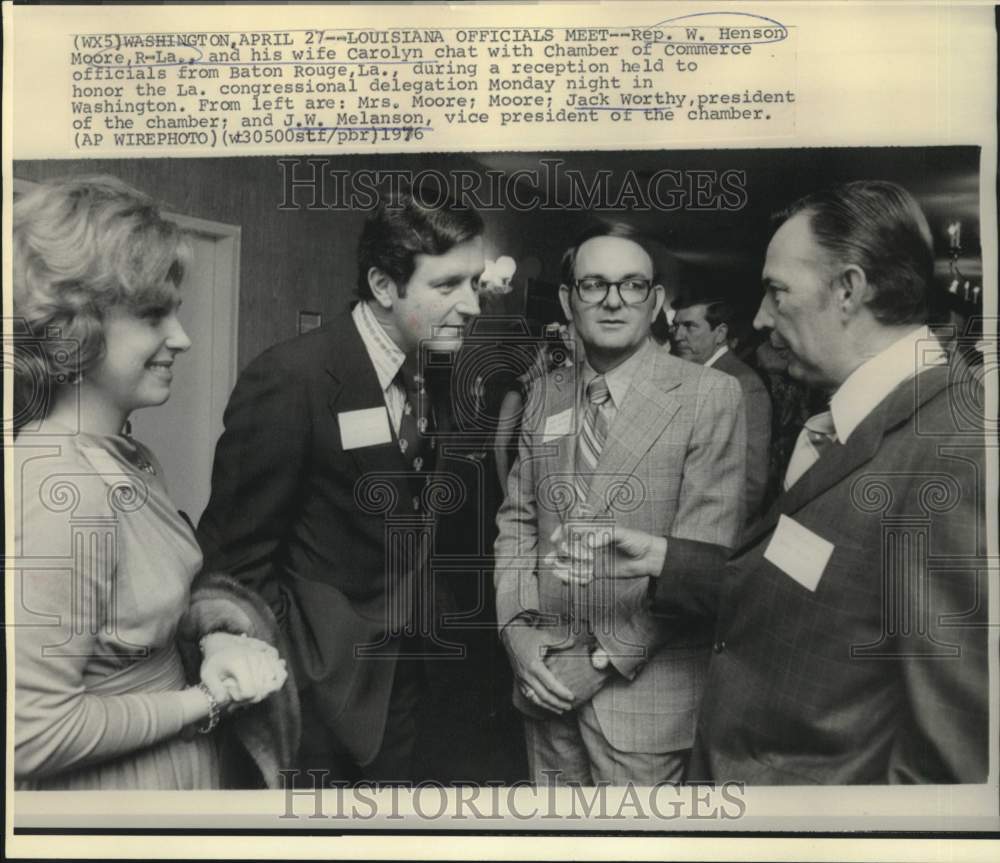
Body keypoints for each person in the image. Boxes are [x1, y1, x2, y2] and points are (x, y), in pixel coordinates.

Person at [556, 181, 989, 784]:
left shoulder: (956, 452)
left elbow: (952, 772)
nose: (758, 319)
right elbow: (810, 588)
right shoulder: (845, 423)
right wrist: (665, 558)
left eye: (776, 292)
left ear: (848, 290)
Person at [197, 184, 484, 784]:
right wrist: (299, 673)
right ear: (384, 286)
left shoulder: (432, 371)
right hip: (320, 696)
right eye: (448, 285)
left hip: (408, 684)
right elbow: (234, 560)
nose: (473, 305)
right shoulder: (290, 379)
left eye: (475, 283)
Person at [12, 176, 288, 790]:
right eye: (151, 315)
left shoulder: (130, 457)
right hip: (114, 795)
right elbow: (31, 736)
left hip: (173, 771)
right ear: (72, 327)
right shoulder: (61, 487)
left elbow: (143, 618)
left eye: (177, 311)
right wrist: (208, 701)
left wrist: (215, 642)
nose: (181, 338)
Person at [493, 224, 746, 785]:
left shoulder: (709, 396)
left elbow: (700, 558)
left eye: (633, 285)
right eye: (594, 285)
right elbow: (518, 521)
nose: (613, 301)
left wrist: (601, 658)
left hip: (642, 702)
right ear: (567, 299)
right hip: (545, 678)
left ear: (656, 302)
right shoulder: (546, 392)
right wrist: (517, 629)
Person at [671, 295, 772, 522]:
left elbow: (752, 481)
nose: (678, 336)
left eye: (690, 327)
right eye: (675, 325)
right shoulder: (687, 372)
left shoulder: (743, 384)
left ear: (720, 333)